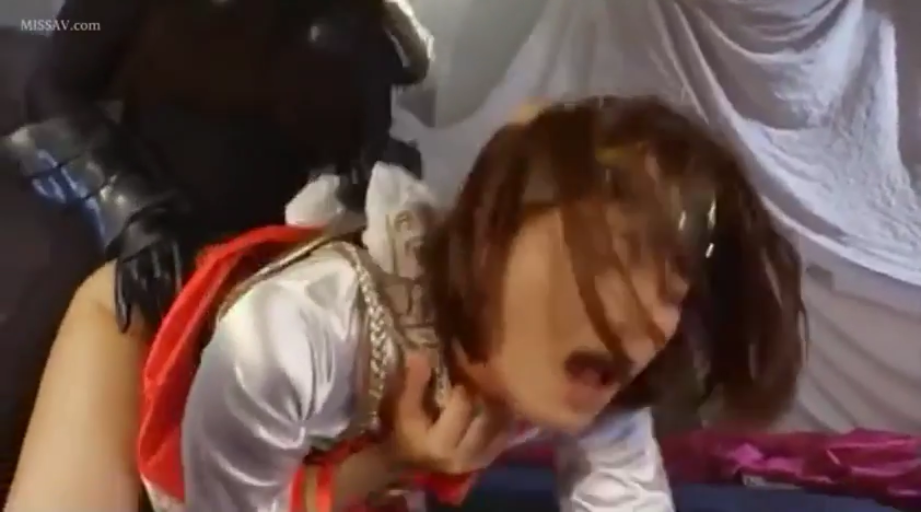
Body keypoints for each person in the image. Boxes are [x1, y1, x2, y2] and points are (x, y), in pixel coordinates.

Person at [139, 96, 807, 511]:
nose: (648, 322)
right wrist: (392, 462)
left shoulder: (598, 384)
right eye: (613, 253)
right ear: (498, 231)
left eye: (675, 285)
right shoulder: (298, 335)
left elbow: (624, 495)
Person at [1, 0, 432, 509]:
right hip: (130, 224)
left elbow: (368, 160)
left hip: (263, 274)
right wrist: (130, 210)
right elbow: (52, 86)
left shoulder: (354, 31)